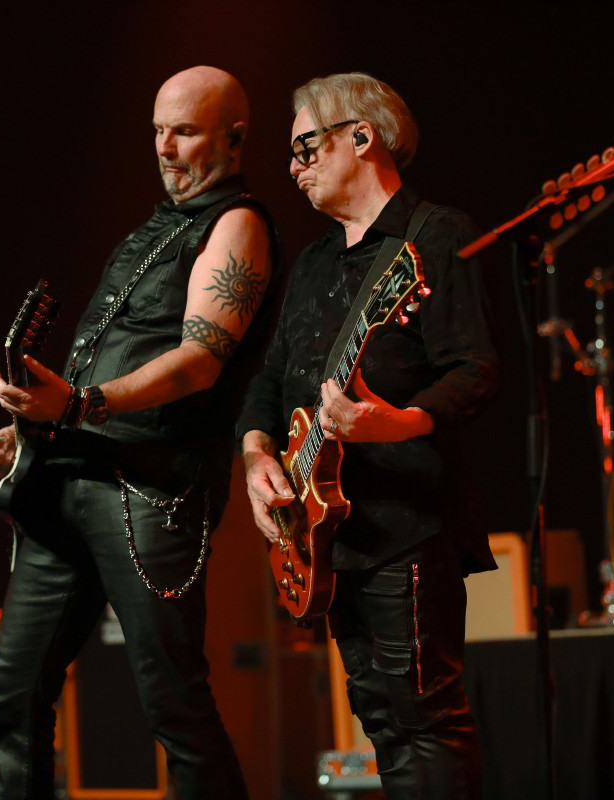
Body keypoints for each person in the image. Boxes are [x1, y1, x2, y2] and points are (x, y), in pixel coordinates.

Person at [0, 66, 276, 800]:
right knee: (12, 694)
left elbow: (200, 361)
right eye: (157, 131)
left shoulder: (237, 224)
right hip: (67, 477)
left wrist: (76, 406)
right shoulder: (153, 229)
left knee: (174, 704)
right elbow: (106, 358)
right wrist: (34, 428)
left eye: (185, 132)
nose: (165, 148)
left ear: (234, 139)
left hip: (150, 492)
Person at [237, 72, 498, 799]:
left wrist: (397, 423)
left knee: (425, 716)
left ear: (362, 136)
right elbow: (269, 380)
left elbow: (475, 369)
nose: (294, 168)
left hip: (406, 523)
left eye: (305, 147)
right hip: (327, 532)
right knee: (379, 718)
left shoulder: (435, 234)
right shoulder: (315, 261)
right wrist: (257, 456)